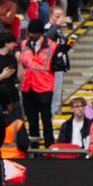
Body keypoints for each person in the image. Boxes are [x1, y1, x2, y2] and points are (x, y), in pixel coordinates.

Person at [18, 18, 59, 148]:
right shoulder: (24, 44)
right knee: (32, 121)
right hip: (27, 87)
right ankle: (35, 149)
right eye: (29, 32)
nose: (30, 35)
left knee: (46, 120)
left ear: (40, 33)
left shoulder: (52, 46)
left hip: (45, 87)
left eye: (34, 33)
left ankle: (49, 147)